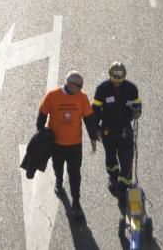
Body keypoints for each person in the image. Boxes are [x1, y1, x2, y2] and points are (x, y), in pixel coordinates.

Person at [37, 70, 97, 222]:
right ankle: (58, 179)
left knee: (75, 173)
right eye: (79, 85)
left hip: (75, 145)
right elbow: (42, 114)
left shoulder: (82, 97)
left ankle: (76, 202)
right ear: (69, 84)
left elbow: (89, 118)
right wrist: (41, 132)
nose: (82, 88)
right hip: (56, 143)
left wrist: (93, 138)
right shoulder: (52, 96)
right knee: (58, 166)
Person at [91, 62, 142, 214]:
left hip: (125, 129)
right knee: (110, 156)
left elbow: (137, 105)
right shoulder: (102, 89)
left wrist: (137, 111)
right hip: (107, 130)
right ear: (110, 75)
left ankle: (124, 185)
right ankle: (113, 178)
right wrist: (97, 129)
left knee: (127, 157)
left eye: (120, 78)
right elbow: (94, 111)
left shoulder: (132, 89)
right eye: (115, 77)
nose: (117, 81)